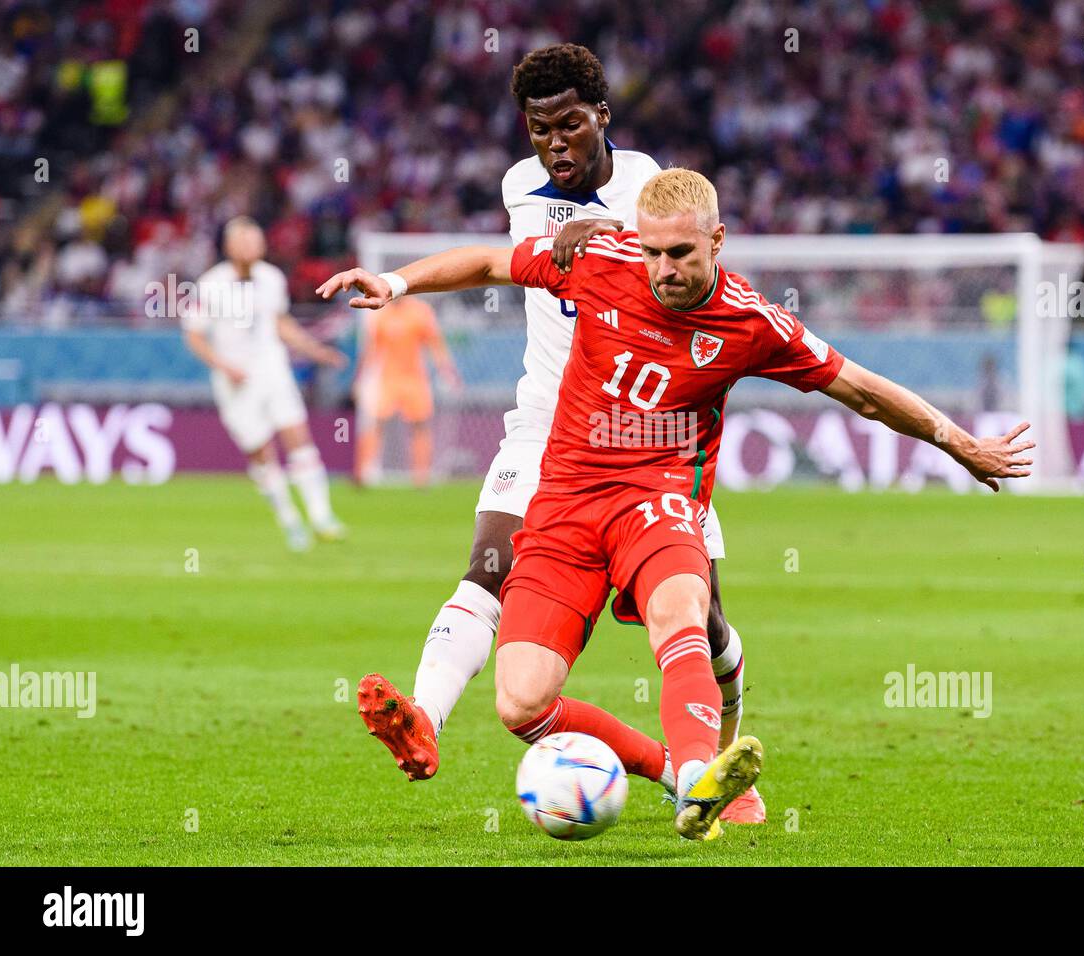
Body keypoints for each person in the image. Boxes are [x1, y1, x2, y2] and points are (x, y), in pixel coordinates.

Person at [318, 168, 1035, 840]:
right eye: (654, 252)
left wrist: (958, 442)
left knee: (682, 610)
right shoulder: (599, 260)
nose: (664, 270)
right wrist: (394, 281)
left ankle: (699, 779)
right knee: (520, 704)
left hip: (657, 502)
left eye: (682, 253)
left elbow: (864, 391)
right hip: (564, 503)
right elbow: (487, 264)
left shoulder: (753, 322)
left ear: (717, 241)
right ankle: (675, 773)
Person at [338, 44, 763, 823]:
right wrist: (396, 284)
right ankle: (426, 720)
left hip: (648, 431)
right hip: (548, 422)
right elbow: (501, 264)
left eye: (570, 125)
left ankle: (729, 761)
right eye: (539, 131)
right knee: (489, 564)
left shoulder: (646, 187)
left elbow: (676, 273)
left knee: (700, 620)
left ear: (602, 115)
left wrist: (598, 235)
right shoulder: (517, 187)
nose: (555, 144)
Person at [183, 216, 347, 551]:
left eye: (256, 240)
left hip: (272, 369)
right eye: (244, 240)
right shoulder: (210, 284)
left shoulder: (271, 278)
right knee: (260, 453)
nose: (251, 246)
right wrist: (223, 365)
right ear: (229, 246)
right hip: (235, 380)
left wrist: (315, 350)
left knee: (298, 437)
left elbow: (280, 323)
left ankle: (321, 516)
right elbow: (194, 336)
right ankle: (289, 520)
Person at [354, 296, 460, 487]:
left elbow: (435, 344)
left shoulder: (420, 311)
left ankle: (421, 476)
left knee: (420, 425)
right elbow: (371, 349)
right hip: (388, 379)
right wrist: (360, 378)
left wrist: (447, 371)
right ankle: (363, 472)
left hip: (415, 379)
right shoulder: (379, 313)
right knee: (376, 423)